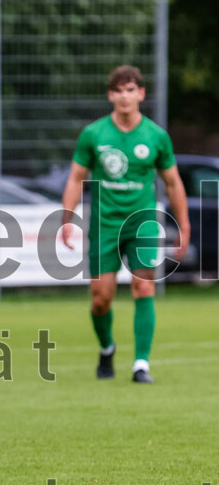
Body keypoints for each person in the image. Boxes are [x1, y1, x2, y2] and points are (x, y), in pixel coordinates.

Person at [61, 65, 190, 384]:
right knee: (100, 298)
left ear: (141, 94)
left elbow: (173, 183)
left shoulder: (156, 136)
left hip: (143, 222)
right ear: (110, 95)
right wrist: (67, 217)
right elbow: (76, 177)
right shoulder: (94, 134)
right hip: (104, 224)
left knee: (143, 285)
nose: (124, 96)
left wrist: (184, 226)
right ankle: (107, 348)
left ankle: (141, 365)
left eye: (131, 90)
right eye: (118, 90)